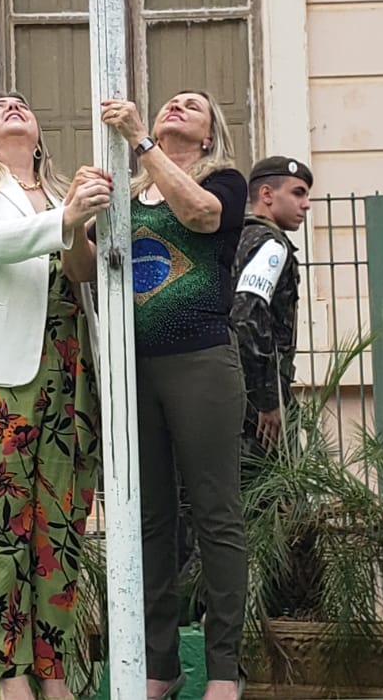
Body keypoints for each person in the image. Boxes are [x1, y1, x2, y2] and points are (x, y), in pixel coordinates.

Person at [0, 92, 110, 700]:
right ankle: (10, 676)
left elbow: (84, 271)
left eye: (22, 103)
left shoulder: (65, 195)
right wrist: (66, 220)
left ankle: (54, 672)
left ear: (39, 130)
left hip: (69, 369)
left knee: (60, 527)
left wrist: (77, 221)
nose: (12, 106)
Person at [100, 91, 249, 700]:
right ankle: (159, 665)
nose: (177, 106)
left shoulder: (225, 182)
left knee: (216, 513)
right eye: (171, 102)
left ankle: (224, 670)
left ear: (209, 135)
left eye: (193, 105)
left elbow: (202, 217)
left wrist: (142, 142)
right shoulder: (126, 193)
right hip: (133, 366)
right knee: (148, 519)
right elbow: (88, 267)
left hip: (200, 361)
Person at [230, 155, 313, 453]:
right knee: (269, 480)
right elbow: (247, 315)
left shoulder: (236, 238)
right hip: (256, 404)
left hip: (227, 386)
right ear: (266, 194)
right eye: (298, 193)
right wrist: (267, 399)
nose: (306, 204)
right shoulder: (271, 246)